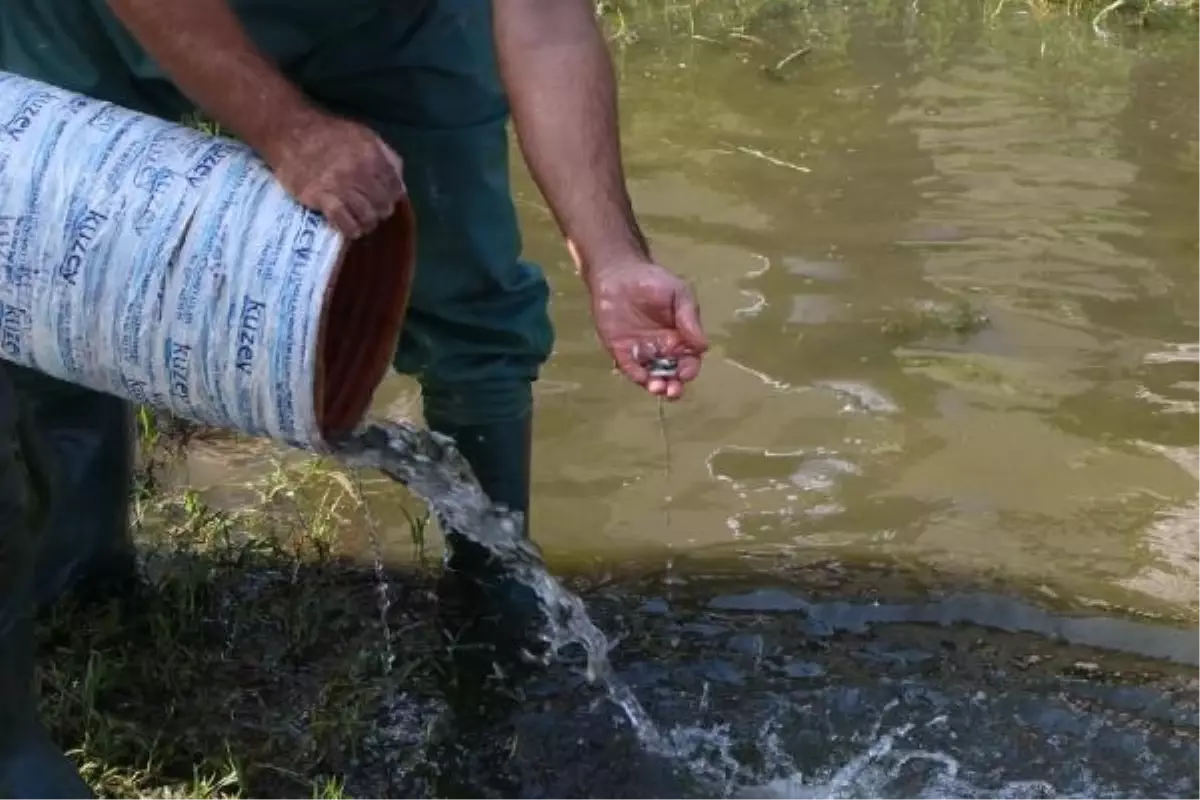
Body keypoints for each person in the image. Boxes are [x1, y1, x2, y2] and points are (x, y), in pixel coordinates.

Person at [0, 0, 708, 795]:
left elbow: (543, 23)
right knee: (45, 284)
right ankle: (80, 583)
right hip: (86, 17)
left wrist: (611, 256)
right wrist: (288, 131)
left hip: (386, 21)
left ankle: (495, 607)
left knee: (475, 305)